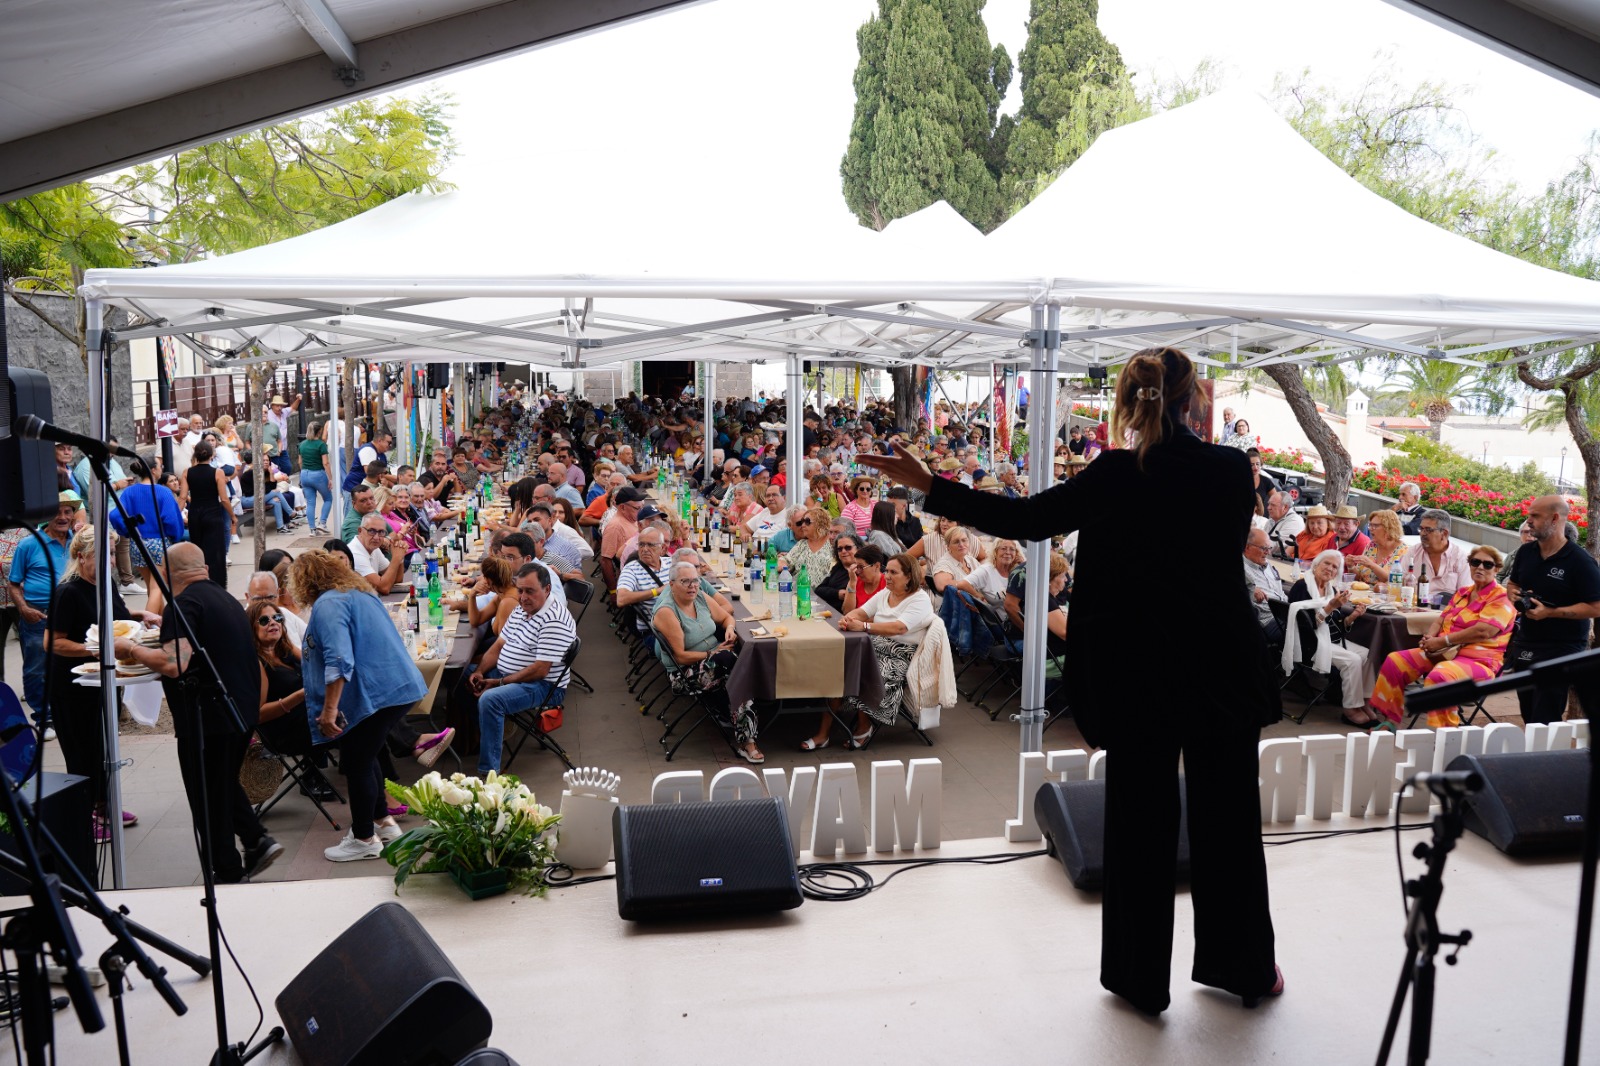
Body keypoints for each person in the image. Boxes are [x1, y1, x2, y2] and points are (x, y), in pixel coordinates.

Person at [858, 346, 1281, 1015]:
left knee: (1139, 825)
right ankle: (1244, 967)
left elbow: (1026, 520)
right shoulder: (1232, 470)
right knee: (1227, 822)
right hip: (1220, 670)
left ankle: (1140, 980)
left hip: (1139, 673)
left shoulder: (1111, 474)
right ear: (1194, 400)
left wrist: (933, 485)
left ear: (1128, 403)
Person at [112, 543, 276, 883]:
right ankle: (256, 840)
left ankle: (228, 870)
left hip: (208, 719)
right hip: (240, 712)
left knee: (206, 796)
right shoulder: (226, 599)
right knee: (220, 783)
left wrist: (131, 648)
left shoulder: (184, 605)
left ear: (168, 573)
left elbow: (175, 663)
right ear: (204, 568)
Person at [288, 550, 427, 861]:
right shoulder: (360, 594)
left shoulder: (329, 603)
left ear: (304, 581)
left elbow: (338, 659)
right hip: (390, 689)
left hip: (375, 693)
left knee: (357, 762)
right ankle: (383, 822)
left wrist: (329, 710)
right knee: (367, 755)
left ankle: (364, 839)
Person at [47, 527, 152, 840]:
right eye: (103, 554)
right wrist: (94, 648)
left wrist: (141, 616)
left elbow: (116, 619)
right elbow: (52, 642)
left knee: (105, 747)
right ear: (82, 557)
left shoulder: (107, 584)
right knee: (82, 751)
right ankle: (85, 815)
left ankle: (105, 805)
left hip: (105, 680)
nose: (111, 561)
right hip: (73, 687)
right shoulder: (67, 592)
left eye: (112, 553)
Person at [1370, 544, 1516, 729]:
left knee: (1441, 676)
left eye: (1487, 564)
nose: (1480, 567)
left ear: (1497, 569)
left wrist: (1442, 641)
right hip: (1444, 653)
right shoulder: (1463, 592)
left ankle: (1447, 733)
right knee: (1395, 661)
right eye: (1475, 562)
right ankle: (1390, 721)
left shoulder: (1501, 597)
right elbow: (1440, 620)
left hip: (1480, 662)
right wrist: (1429, 638)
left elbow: (1483, 631)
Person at [806, 552, 933, 751]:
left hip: (902, 654)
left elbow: (900, 627)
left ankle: (864, 726)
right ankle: (824, 733)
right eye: (887, 571)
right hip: (874, 644)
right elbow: (862, 611)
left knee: (862, 670)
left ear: (909, 576)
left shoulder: (919, 599)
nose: (887, 576)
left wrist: (864, 626)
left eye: (893, 572)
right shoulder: (886, 594)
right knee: (839, 666)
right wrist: (849, 618)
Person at [469, 562, 578, 775]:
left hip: (543, 685)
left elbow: (540, 670)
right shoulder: (522, 608)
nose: (523, 597)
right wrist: (480, 671)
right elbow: (499, 645)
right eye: (520, 591)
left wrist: (499, 683)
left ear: (547, 589)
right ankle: (492, 728)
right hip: (511, 675)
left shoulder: (553, 618)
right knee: (463, 674)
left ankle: (489, 772)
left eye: (530, 591)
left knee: (490, 700)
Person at [652, 561, 762, 763]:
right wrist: (712, 652)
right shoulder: (667, 611)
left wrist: (730, 630)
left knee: (736, 664)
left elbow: (727, 617)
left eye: (695, 580)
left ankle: (742, 729)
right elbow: (680, 656)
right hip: (684, 673)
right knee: (734, 666)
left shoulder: (700, 596)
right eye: (685, 581)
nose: (692, 586)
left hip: (716, 660)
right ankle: (748, 739)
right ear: (671, 584)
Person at [1504, 496, 1600, 724]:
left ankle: (1546, 748)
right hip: (1527, 641)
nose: (1528, 521)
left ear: (1555, 519)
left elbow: (1596, 607)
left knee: (1545, 715)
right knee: (1529, 712)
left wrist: (1550, 612)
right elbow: (1513, 583)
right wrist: (1513, 594)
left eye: (1535, 516)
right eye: (1529, 515)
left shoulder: (1580, 561)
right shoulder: (1525, 552)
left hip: (1562, 646)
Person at [7, 491, 80, 732]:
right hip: (39, 615)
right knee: (37, 669)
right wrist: (24, 608)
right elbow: (13, 583)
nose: (62, 517)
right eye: (56, 512)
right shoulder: (29, 544)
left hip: (72, 614)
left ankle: (69, 713)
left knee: (73, 663)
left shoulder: (78, 542)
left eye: (67, 512)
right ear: (46, 516)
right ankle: (44, 718)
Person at [1283, 549, 1374, 727]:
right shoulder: (1302, 587)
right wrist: (1330, 606)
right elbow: (1306, 627)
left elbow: (1336, 625)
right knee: (1353, 660)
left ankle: (1364, 702)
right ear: (1316, 564)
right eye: (1327, 563)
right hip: (1308, 643)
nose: (1330, 569)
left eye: (1335, 567)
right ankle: (1351, 710)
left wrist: (1353, 616)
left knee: (1368, 654)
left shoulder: (1330, 590)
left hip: (1328, 639)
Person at [185, 441, 232, 587]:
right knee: (216, 552)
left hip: (195, 515)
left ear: (195, 455)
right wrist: (233, 515)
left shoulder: (187, 472)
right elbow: (224, 499)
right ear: (211, 455)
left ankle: (200, 582)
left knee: (198, 551)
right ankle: (217, 584)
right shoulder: (217, 472)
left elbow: (182, 497)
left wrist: (175, 514)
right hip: (212, 514)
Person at [1399, 509, 1471, 599]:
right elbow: (1398, 583)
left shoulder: (1460, 557)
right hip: (1415, 605)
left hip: (1447, 607)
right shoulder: (1413, 552)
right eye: (1421, 529)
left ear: (1444, 533)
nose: (1422, 533)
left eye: (1428, 530)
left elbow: (1465, 595)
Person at [1243, 528, 1288, 645]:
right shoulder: (1240, 569)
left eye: (1269, 548)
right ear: (1247, 547)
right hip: (1268, 621)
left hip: (1286, 612)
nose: (1267, 552)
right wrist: (1248, 588)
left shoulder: (1267, 563)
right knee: (1305, 628)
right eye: (1263, 548)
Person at [348, 514, 409, 594]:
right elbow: (384, 588)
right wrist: (396, 558)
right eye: (371, 531)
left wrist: (400, 556)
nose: (376, 537)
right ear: (360, 531)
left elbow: (397, 579)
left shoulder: (373, 548)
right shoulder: (355, 553)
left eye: (381, 532)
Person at [1347, 509, 1406, 586]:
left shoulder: (1403, 551)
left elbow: (1395, 582)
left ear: (1388, 528)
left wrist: (1371, 565)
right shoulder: (1371, 546)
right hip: (1364, 592)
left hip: (1386, 593)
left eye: (1375, 526)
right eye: (1370, 525)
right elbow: (1359, 578)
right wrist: (1351, 567)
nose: (1370, 528)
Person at [783, 508, 836, 588]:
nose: (803, 525)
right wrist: (781, 562)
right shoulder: (802, 544)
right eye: (802, 522)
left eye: (807, 522)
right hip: (799, 590)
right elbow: (787, 561)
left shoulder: (832, 543)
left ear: (820, 523)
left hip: (823, 592)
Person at [298, 419, 334, 534]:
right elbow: (325, 463)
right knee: (328, 498)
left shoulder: (302, 444)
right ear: (319, 432)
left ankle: (312, 529)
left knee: (310, 502)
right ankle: (322, 523)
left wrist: (303, 472)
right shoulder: (321, 445)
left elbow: (300, 462)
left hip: (304, 474)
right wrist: (330, 478)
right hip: (318, 474)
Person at [815, 533, 862, 612]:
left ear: (858, 548)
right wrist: (837, 593)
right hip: (829, 612)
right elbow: (819, 590)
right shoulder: (837, 568)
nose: (843, 551)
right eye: (839, 549)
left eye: (848, 548)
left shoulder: (864, 570)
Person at [842, 543, 888, 613]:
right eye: (857, 567)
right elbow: (847, 612)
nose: (858, 571)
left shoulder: (887, 586)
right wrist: (852, 583)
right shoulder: (855, 581)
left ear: (877, 566)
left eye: (861, 567)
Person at [1263, 490, 1304, 561]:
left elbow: (1276, 547)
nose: (1268, 507)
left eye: (1273, 505)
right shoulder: (1271, 520)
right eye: (1269, 504)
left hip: (1283, 564)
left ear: (1285, 507)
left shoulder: (1295, 521)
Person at [1246, 449, 1278, 515]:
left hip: (1260, 518)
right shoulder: (1239, 481)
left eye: (1257, 464)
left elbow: (1277, 500)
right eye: (1252, 465)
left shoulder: (1266, 481)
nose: (1255, 467)